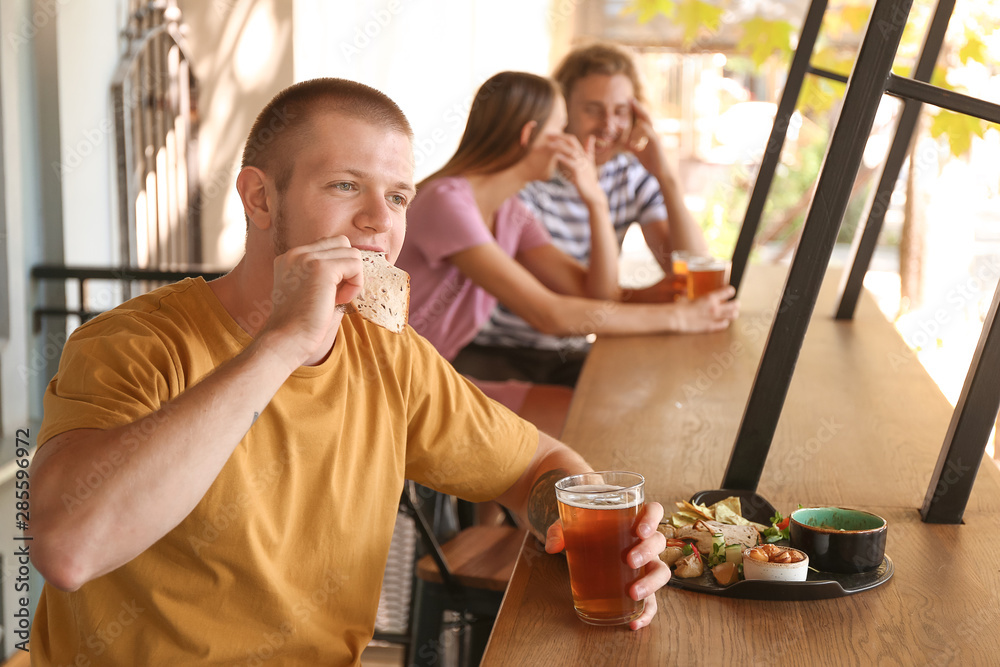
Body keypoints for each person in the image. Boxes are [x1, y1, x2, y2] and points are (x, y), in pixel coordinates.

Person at [26, 78, 670, 665]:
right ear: (259, 199)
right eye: (344, 186)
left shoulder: (388, 352)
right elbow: (68, 549)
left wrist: (602, 533)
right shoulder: (132, 343)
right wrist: (282, 345)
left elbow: (535, 466)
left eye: (397, 196)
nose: (379, 220)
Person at [398, 71, 738, 411]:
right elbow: (549, 314)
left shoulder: (511, 212)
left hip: (429, 373)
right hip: (396, 381)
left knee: (589, 409)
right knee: (582, 419)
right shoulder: (447, 202)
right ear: (530, 135)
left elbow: (597, 294)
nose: (572, 144)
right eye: (561, 130)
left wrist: (596, 202)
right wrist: (681, 319)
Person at [455, 43, 718, 387]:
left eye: (621, 111)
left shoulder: (629, 174)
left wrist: (665, 177)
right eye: (593, 110)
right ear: (563, 114)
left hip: (572, 350)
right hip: (501, 352)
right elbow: (565, 304)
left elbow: (687, 269)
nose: (609, 125)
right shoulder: (527, 181)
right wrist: (666, 312)